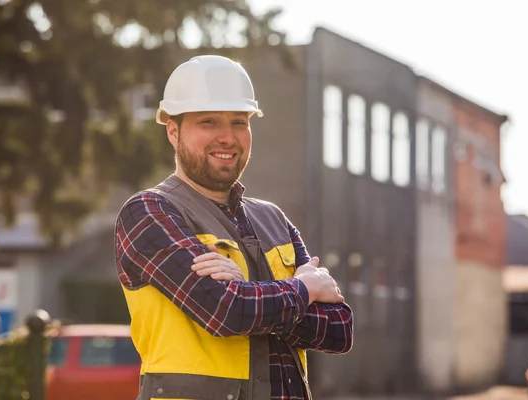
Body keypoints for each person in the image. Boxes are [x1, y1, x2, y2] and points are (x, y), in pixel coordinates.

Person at [115, 54, 353, 400]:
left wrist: (252, 293)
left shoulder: (274, 220)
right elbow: (226, 312)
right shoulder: (148, 213)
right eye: (208, 122)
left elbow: (339, 330)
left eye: (239, 122)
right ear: (173, 130)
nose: (227, 137)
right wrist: (304, 290)